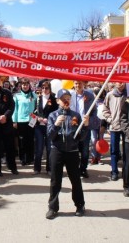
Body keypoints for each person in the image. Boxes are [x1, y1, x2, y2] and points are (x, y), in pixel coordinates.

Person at [45, 89, 89, 219]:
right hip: (57, 151)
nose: (66, 100)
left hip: (72, 152)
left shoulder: (75, 115)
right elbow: (50, 136)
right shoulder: (53, 115)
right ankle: (53, 207)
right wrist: (57, 125)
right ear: (58, 100)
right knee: (55, 181)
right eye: (63, 98)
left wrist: (85, 126)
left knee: (75, 180)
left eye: (68, 98)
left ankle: (80, 205)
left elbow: (80, 137)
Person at [69, 80, 97, 178]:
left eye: (80, 83)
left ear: (83, 84)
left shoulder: (89, 96)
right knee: (74, 150)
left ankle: (83, 169)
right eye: (76, 83)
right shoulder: (70, 95)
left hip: (85, 127)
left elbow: (94, 111)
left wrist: (90, 120)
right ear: (73, 84)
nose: (78, 85)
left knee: (85, 150)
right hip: (73, 126)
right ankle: (74, 169)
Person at [102, 82, 127, 181]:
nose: (120, 84)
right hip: (114, 127)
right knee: (114, 151)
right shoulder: (110, 95)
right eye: (118, 82)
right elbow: (105, 109)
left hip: (126, 127)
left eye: (122, 82)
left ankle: (126, 171)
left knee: (127, 151)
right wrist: (110, 120)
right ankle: (114, 171)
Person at [33, 80, 58, 175]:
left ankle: (49, 168)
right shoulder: (38, 98)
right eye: (42, 87)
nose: (44, 89)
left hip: (49, 127)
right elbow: (32, 113)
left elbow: (56, 113)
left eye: (46, 88)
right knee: (39, 148)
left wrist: (49, 119)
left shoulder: (53, 99)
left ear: (50, 89)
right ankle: (37, 168)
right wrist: (37, 118)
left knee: (49, 148)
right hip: (39, 127)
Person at [12, 77, 37, 166]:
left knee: (30, 140)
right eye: (23, 85)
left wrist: (35, 116)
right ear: (21, 86)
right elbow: (15, 110)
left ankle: (30, 158)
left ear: (29, 85)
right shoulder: (17, 96)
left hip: (31, 121)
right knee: (22, 141)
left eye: (26, 84)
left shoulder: (34, 95)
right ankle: (23, 158)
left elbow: (36, 108)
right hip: (21, 121)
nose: (25, 86)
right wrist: (14, 121)